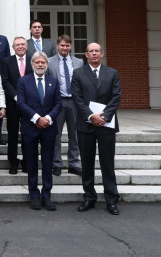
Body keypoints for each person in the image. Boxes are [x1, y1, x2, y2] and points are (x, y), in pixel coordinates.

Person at [71, 42, 122, 215]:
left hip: (106, 125)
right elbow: (76, 98)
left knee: (107, 163)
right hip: (86, 125)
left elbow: (116, 97)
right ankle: (89, 198)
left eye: (97, 51)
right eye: (90, 51)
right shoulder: (78, 73)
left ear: (102, 54)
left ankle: (111, 199)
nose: (94, 54)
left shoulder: (112, 73)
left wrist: (104, 116)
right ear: (86, 55)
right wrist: (91, 116)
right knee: (87, 163)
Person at [17, 52, 62, 211]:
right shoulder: (23, 81)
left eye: (43, 62)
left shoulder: (53, 82)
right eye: (37, 62)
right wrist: (37, 118)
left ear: (47, 65)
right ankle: (34, 195)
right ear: (32, 64)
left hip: (49, 128)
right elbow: (21, 104)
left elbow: (58, 104)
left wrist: (48, 118)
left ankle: (47, 195)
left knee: (48, 162)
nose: (40, 64)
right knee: (31, 162)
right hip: (31, 127)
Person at [47, 34, 83, 177]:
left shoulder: (79, 62)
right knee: (56, 134)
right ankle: (57, 164)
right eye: (62, 45)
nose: (65, 48)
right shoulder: (49, 62)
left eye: (67, 45)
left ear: (71, 46)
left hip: (74, 102)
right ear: (57, 46)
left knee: (74, 134)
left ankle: (74, 164)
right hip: (58, 102)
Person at [1, 36, 33, 174]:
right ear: (13, 47)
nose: (20, 46)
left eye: (22, 44)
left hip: (29, 103)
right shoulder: (7, 61)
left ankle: (26, 162)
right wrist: (16, 96)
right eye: (17, 45)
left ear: (26, 46)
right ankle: (13, 162)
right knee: (12, 134)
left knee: (27, 134)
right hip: (13, 104)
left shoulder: (33, 60)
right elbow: (5, 81)